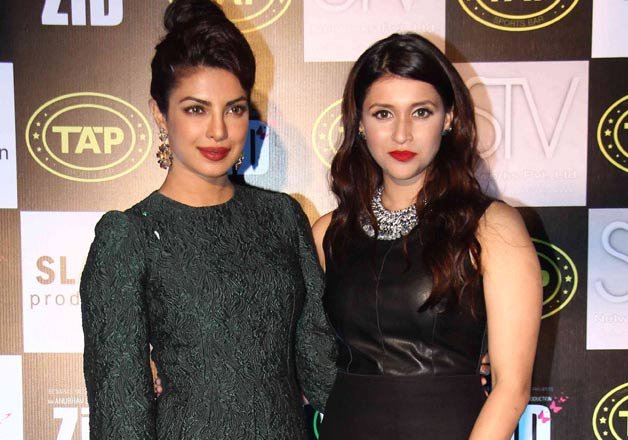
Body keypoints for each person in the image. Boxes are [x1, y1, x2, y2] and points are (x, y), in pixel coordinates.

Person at [79, 1, 335, 438]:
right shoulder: (129, 236)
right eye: (196, 109)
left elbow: (320, 362)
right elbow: (119, 413)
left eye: (234, 109)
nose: (218, 130)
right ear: (159, 113)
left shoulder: (282, 217)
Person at [312, 33, 542, 439]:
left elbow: (512, 389)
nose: (402, 134)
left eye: (421, 112)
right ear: (360, 123)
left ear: (449, 118)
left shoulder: (492, 227)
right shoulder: (329, 232)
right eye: (383, 114)